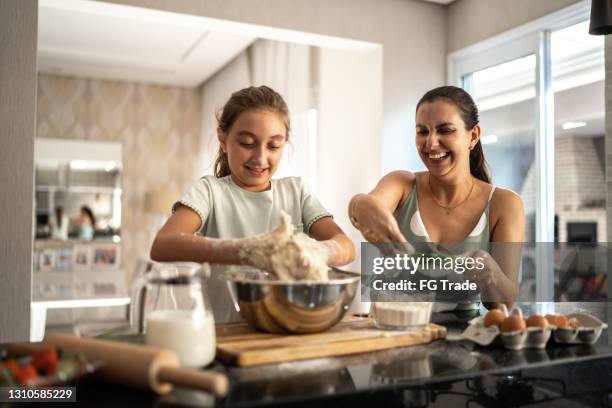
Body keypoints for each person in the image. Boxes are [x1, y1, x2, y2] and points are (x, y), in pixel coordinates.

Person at [150, 85, 355, 321]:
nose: (260, 158)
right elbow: (162, 245)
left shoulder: (296, 191)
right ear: (223, 139)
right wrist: (245, 251)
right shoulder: (209, 191)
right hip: (225, 335)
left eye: (273, 146)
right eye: (247, 143)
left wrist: (314, 251)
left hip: (288, 330)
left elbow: (345, 246)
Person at [348, 86, 524, 310]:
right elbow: (364, 205)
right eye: (422, 131)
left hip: (460, 341)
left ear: (474, 135)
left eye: (445, 130)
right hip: (390, 333)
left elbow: (502, 303)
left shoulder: (504, 204)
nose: (431, 143)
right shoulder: (402, 185)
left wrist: (491, 272)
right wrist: (360, 205)